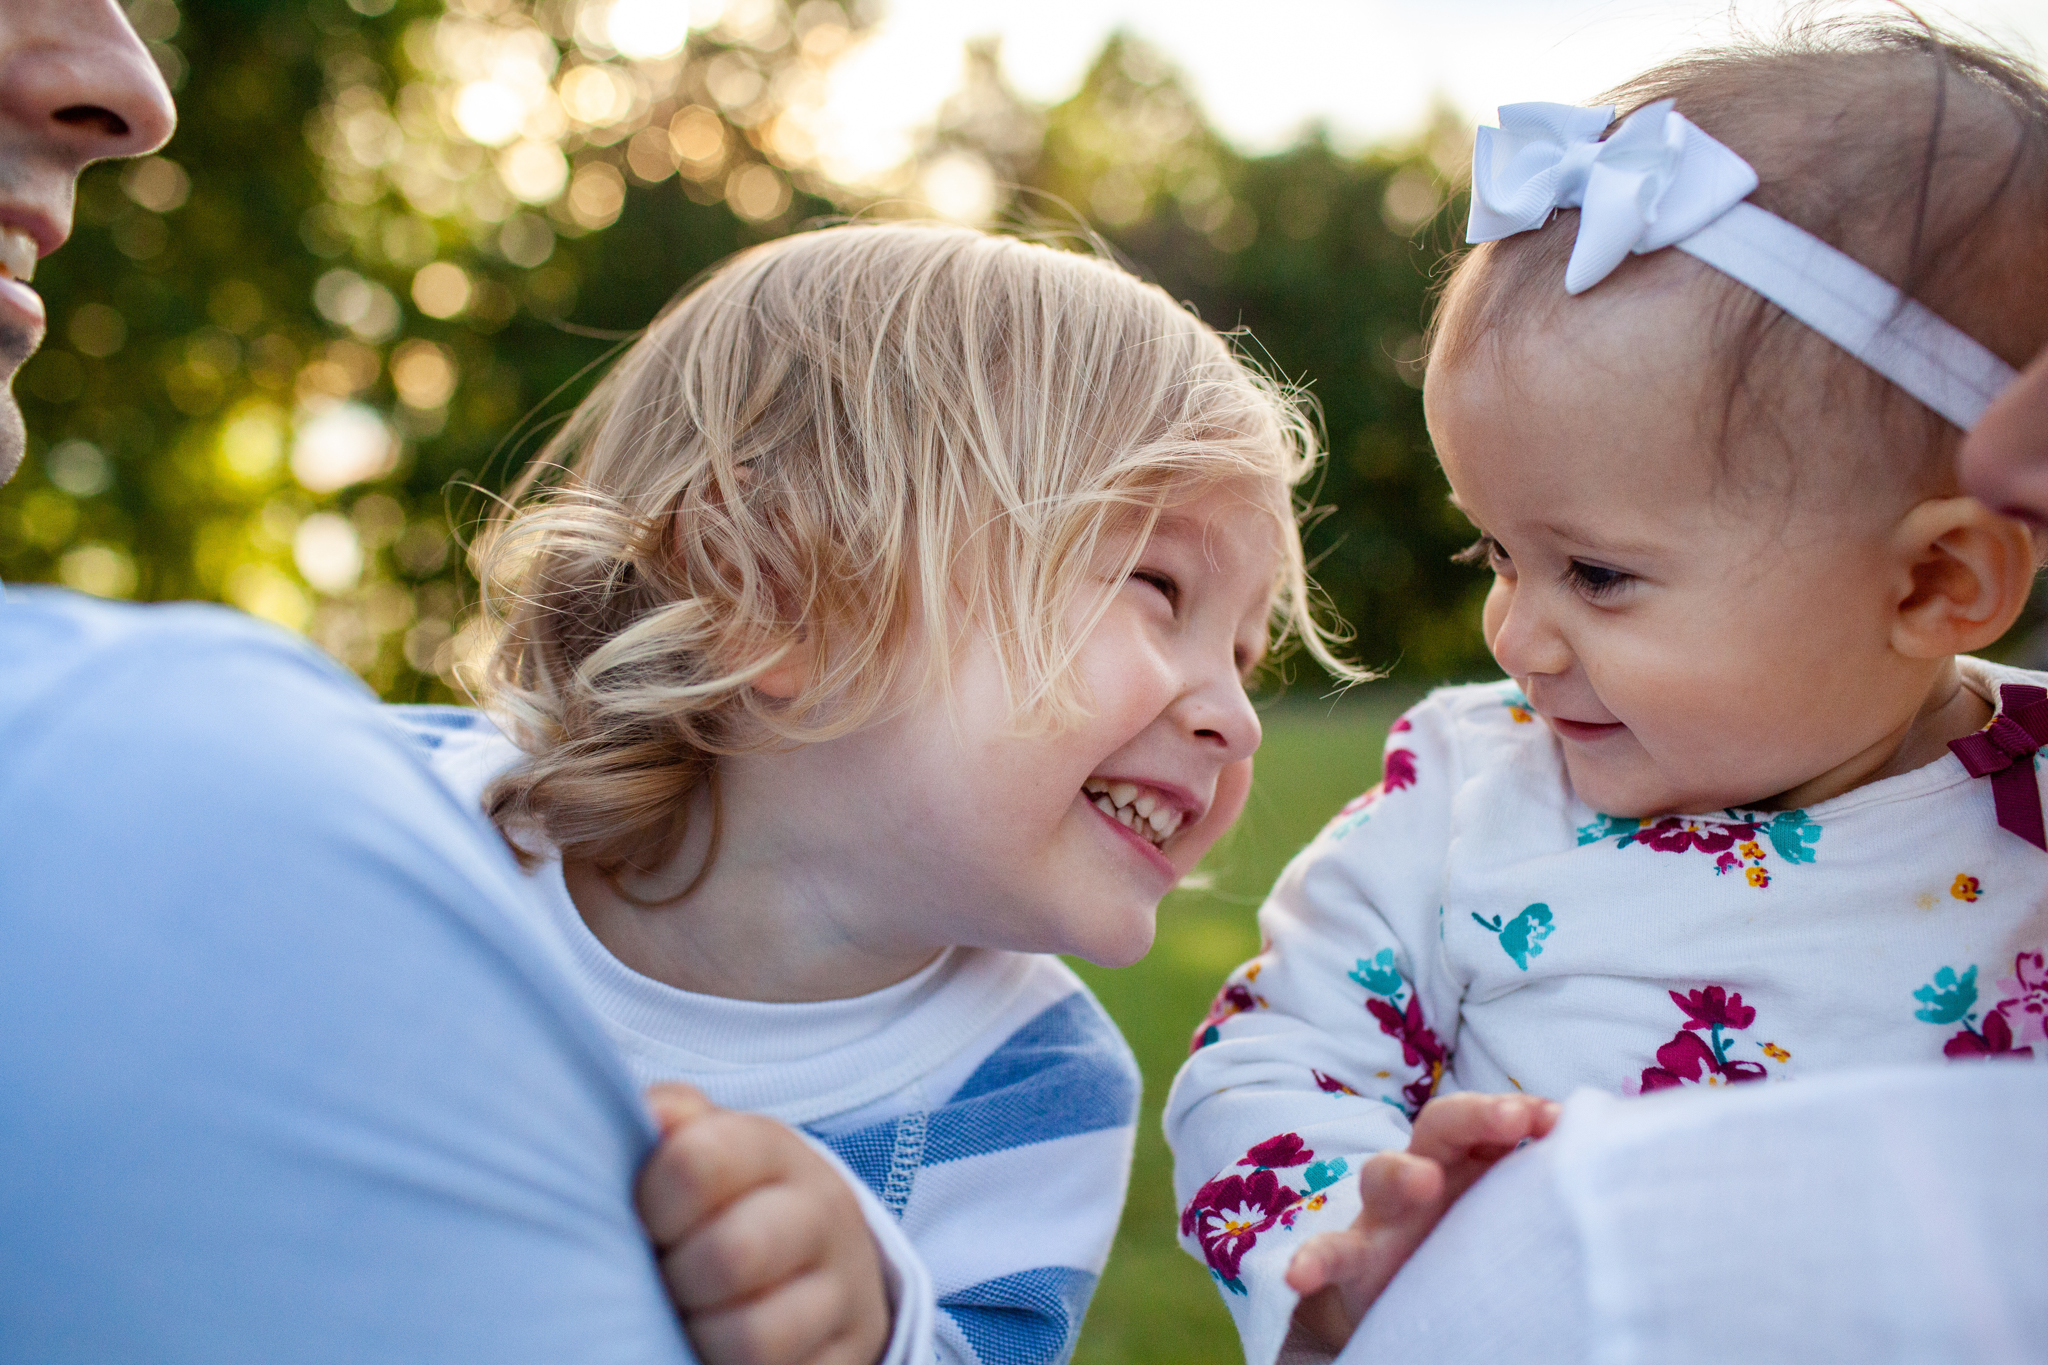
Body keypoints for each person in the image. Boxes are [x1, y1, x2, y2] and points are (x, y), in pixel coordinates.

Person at [0, 7, 926, 1365]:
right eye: (1142, 589)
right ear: (771, 602)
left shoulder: (1054, 1067)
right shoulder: (163, 780)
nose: (131, 87)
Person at [1164, 22, 2048, 1365]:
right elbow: (1273, 1058)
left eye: (1598, 572)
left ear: (1935, 583)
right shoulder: (1468, 797)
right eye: (1496, 554)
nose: (1517, 633)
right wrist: (1352, 1246)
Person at [397, 219, 1356, 1365]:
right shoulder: (387, 836)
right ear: (769, 590)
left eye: (1245, 657)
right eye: (1156, 586)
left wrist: (873, 1327)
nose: (1234, 717)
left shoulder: (1024, 1090)